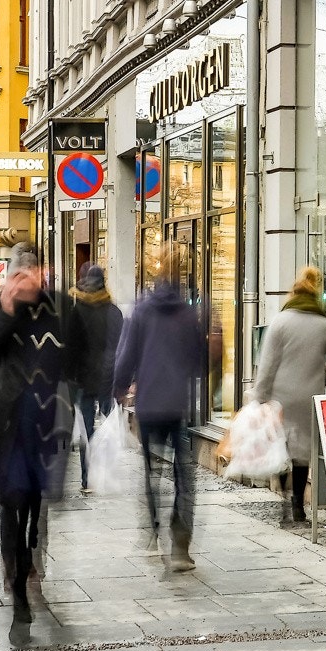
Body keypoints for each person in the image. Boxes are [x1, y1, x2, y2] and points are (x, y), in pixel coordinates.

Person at [0, 244, 88, 640]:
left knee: (36, 504)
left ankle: (31, 555)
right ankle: (18, 594)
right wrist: (5, 309)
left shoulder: (62, 307)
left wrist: (74, 390)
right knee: (11, 505)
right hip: (6, 432)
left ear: (42, 273)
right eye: (19, 275)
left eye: (32, 274)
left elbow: (81, 355)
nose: (26, 282)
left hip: (48, 429)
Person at [113, 241, 207, 571]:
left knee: (151, 472)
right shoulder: (188, 312)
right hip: (177, 403)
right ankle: (180, 545)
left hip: (149, 402)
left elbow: (127, 354)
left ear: (156, 270)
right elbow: (199, 361)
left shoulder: (142, 309)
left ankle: (152, 534)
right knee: (184, 474)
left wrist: (120, 386)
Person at [250, 266, 326, 524]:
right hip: (309, 395)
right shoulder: (324, 324)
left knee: (281, 446)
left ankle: (283, 498)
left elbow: (268, 363)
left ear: (293, 293)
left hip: (281, 396)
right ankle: (298, 504)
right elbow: (323, 356)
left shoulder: (280, 321)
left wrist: (259, 395)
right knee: (302, 451)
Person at [69, 263, 124, 494]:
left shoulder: (77, 311)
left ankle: (87, 479)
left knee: (87, 430)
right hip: (108, 378)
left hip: (84, 379)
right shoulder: (115, 313)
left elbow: (71, 348)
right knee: (109, 430)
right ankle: (106, 475)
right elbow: (120, 348)